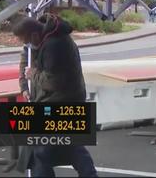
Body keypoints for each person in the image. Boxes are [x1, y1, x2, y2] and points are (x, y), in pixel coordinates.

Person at [12, 14, 98, 177]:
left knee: (41, 150)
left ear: (34, 35)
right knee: (68, 146)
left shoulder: (55, 44)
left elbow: (54, 81)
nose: (26, 45)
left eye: (26, 41)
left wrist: (33, 75)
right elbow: (25, 64)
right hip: (61, 100)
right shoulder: (42, 41)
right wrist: (24, 86)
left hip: (62, 101)